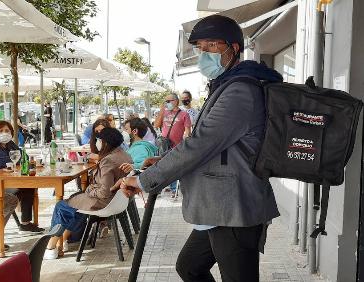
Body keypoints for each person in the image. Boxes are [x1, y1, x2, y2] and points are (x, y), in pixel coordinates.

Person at [116, 15, 282, 282]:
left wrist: (146, 180)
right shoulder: (225, 86)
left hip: (234, 208)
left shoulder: (240, 92)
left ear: (234, 48)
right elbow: (210, 147)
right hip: (219, 207)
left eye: (212, 46)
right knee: (190, 267)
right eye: (201, 48)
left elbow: (199, 145)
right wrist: (161, 160)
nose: (204, 54)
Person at [44, 128, 132, 259]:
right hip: (118, 201)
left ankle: (51, 246)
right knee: (74, 201)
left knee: (61, 206)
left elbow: (104, 192)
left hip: (104, 202)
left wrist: (89, 189)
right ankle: (63, 240)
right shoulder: (125, 155)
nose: (97, 143)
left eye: (99, 140)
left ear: (105, 142)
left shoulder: (108, 160)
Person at [0, 120, 45, 234]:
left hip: (5, 179)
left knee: (29, 186)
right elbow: (6, 161)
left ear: (11, 133)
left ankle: (25, 224)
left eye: (7, 130)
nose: (4, 133)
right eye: (0, 130)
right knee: (20, 191)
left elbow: (24, 157)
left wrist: (18, 159)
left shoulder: (9, 143)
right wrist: (15, 160)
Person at [154, 93, 191, 197]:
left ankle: (174, 188)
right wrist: (162, 111)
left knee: (173, 167)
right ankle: (163, 187)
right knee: (163, 166)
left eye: (170, 101)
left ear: (176, 101)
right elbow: (156, 125)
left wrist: (186, 143)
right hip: (164, 144)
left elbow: (188, 131)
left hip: (177, 145)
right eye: (166, 101)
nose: (168, 103)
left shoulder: (184, 114)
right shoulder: (164, 112)